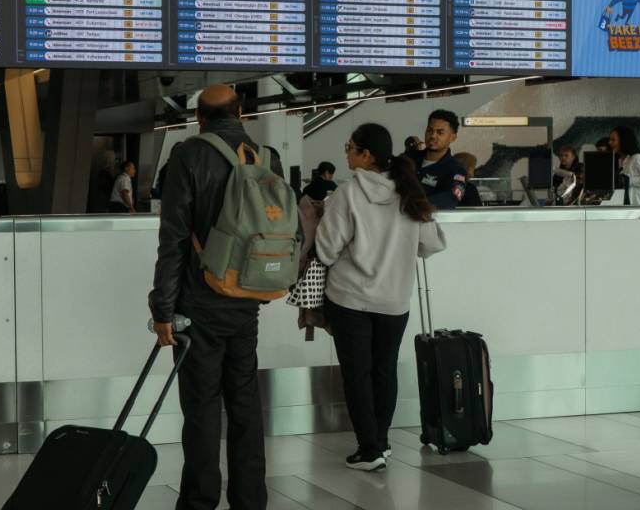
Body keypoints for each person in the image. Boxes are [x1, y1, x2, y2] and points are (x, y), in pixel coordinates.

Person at [149, 84, 289, 510]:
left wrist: (163, 309)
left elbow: (173, 239)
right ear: (241, 113)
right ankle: (250, 501)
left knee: (202, 408)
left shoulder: (188, 156)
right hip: (247, 299)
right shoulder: (268, 157)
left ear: (200, 118)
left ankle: (199, 501)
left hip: (199, 303)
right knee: (245, 404)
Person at [317, 123, 446, 472]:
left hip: (349, 299)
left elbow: (326, 251)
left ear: (366, 155)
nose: (346, 152)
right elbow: (430, 245)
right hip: (394, 300)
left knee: (357, 373)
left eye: (350, 146)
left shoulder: (346, 193)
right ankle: (383, 442)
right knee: (383, 371)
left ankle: (368, 448)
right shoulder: (409, 190)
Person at [404, 109, 467, 209]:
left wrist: (412, 206)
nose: (433, 136)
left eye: (440, 132)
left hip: (424, 221)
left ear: (453, 137)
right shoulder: (408, 158)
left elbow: (451, 197)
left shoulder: (455, 170)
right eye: (429, 130)